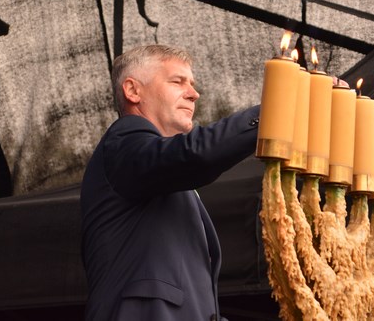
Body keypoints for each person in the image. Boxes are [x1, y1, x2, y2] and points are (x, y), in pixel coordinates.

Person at [80, 44, 261, 321]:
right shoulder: (124, 140)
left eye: (192, 84)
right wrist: (274, 110)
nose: (194, 93)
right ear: (133, 91)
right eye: (178, 81)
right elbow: (197, 154)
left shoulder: (166, 177)